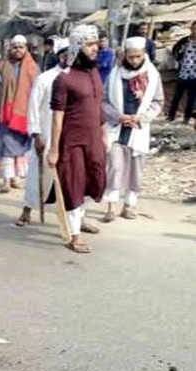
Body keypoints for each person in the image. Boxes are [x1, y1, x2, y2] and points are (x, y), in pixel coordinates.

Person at [48, 25, 107, 254]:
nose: (95, 49)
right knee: (73, 185)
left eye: (95, 44)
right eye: (89, 44)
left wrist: (103, 135)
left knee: (96, 180)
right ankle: (74, 235)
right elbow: (57, 118)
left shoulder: (94, 73)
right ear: (77, 46)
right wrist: (54, 149)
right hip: (72, 142)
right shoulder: (63, 80)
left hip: (94, 140)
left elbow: (98, 104)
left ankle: (79, 217)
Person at [102, 37, 164, 222]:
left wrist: (141, 118)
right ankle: (111, 206)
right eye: (131, 57)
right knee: (114, 166)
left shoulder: (152, 76)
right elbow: (103, 101)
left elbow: (158, 102)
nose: (135, 61)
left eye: (138, 56)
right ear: (125, 55)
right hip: (116, 127)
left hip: (138, 129)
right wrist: (118, 116)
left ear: (144, 54)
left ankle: (129, 205)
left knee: (136, 170)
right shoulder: (115, 74)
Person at [15, 38, 70, 226]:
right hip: (45, 135)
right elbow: (33, 108)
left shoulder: (78, 79)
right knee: (37, 176)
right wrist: (36, 134)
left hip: (69, 137)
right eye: (65, 54)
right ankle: (27, 210)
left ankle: (76, 219)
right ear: (59, 56)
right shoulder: (45, 78)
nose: (69, 58)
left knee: (72, 179)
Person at [0, 35, 39, 192]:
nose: (18, 50)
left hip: (24, 112)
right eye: (15, 47)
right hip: (7, 113)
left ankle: (17, 177)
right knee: (6, 145)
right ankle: (7, 180)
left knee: (21, 147)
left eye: (21, 47)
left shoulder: (33, 67)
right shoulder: (3, 65)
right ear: (11, 49)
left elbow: (37, 89)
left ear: (26, 49)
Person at [168, 21, 196, 125]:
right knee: (176, 96)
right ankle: (171, 116)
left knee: (191, 97)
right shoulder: (185, 41)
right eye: (194, 29)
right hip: (183, 73)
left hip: (194, 75)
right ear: (191, 29)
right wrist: (178, 58)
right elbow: (175, 49)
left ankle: (186, 118)